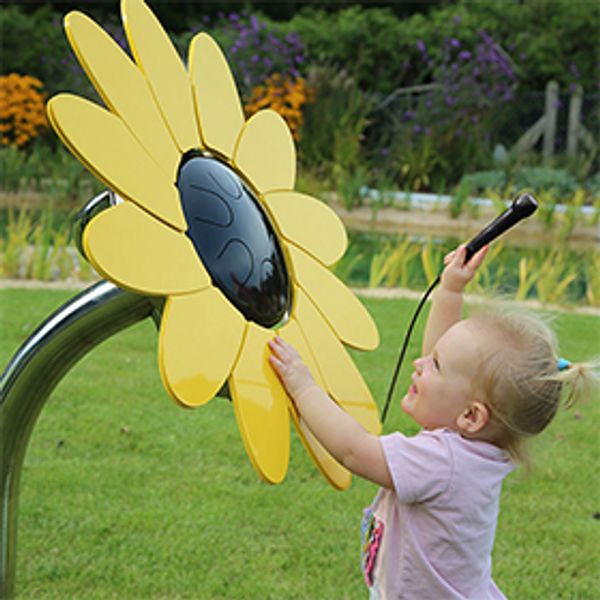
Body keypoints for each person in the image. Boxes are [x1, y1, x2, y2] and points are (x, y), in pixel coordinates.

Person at [268, 244, 598, 599]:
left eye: (435, 365)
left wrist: (302, 386)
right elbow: (441, 355)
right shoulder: (474, 446)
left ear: (471, 415)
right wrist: (450, 290)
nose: (420, 364)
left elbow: (353, 451)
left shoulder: (441, 462)